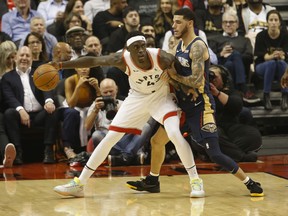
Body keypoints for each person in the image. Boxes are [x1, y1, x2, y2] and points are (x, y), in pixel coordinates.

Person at [126, 8, 264, 197]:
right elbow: (173, 77)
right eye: (173, 22)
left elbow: (198, 81)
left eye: (178, 22)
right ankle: (152, 181)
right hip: (182, 106)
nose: (173, 26)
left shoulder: (198, 46)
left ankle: (250, 182)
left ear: (189, 23)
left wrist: (174, 76)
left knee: (215, 154)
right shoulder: (179, 46)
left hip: (201, 107)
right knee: (156, 141)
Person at [53, 31, 204, 198]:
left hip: (161, 97)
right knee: (110, 137)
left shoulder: (162, 57)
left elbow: (181, 73)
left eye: (142, 46)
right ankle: (79, 184)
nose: (140, 50)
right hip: (137, 98)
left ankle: (196, 181)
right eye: (135, 47)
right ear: (128, 50)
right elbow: (94, 60)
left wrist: (188, 88)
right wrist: (61, 65)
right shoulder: (121, 59)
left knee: (174, 134)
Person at [1, 46, 58, 165]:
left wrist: (48, 101)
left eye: (27, 56)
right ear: (15, 57)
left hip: (38, 115)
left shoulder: (39, 72)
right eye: (22, 55)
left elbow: (47, 88)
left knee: (53, 111)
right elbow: (9, 97)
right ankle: (17, 153)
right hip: (19, 115)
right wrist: (21, 110)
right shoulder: (7, 77)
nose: (24, 58)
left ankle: (48, 151)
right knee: (9, 113)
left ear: (32, 58)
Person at [200, 64, 262, 162]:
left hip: (230, 129)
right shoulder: (199, 93)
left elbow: (236, 105)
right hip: (211, 128)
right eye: (209, 75)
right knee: (210, 133)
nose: (212, 78)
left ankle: (217, 155)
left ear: (223, 79)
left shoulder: (232, 93)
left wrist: (217, 93)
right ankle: (240, 156)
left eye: (215, 76)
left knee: (253, 135)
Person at [85, 78, 149, 166]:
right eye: (105, 92)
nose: (109, 95)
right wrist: (95, 110)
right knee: (96, 135)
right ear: (100, 92)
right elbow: (87, 127)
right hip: (108, 141)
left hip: (124, 138)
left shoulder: (124, 104)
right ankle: (130, 156)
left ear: (116, 89)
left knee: (145, 126)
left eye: (111, 91)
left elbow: (134, 125)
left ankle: (124, 157)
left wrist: (118, 110)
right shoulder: (95, 105)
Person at [208, 10, 259, 103]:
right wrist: (221, 54)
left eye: (231, 22)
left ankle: (232, 91)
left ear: (237, 24)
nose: (228, 25)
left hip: (240, 67)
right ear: (222, 24)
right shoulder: (215, 39)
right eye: (225, 22)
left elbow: (249, 58)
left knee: (232, 62)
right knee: (231, 60)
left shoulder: (244, 40)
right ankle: (243, 88)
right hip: (221, 67)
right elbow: (211, 60)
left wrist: (235, 55)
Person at [254, 10, 288, 111]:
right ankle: (266, 95)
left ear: (279, 22)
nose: (273, 22)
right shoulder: (261, 35)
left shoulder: (285, 35)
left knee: (282, 63)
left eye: (275, 20)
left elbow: (286, 55)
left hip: (281, 65)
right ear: (267, 22)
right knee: (271, 63)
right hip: (262, 66)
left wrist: (282, 56)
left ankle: (285, 96)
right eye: (271, 20)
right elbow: (262, 56)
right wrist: (273, 55)